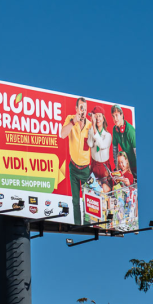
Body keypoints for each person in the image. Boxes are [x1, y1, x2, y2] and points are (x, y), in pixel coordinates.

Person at [58, 96, 92, 225]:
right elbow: (62, 135)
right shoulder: (70, 119)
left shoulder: (90, 125)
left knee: (88, 199)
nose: (83, 111)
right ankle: (78, 224)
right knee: (75, 200)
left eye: (85, 109)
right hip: (73, 167)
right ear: (76, 108)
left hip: (85, 169)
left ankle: (89, 225)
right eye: (81, 108)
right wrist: (73, 121)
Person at [110, 104, 137, 179]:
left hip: (135, 165)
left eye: (117, 115)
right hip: (125, 166)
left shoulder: (130, 131)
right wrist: (117, 169)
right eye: (113, 116)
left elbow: (137, 152)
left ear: (122, 115)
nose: (115, 119)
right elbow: (115, 150)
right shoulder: (115, 130)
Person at [87, 108, 113, 181]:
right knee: (93, 189)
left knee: (106, 189)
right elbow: (90, 144)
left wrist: (94, 129)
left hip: (104, 167)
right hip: (94, 164)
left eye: (99, 116)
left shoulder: (108, 135)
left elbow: (101, 145)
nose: (98, 118)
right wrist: (93, 126)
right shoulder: (91, 130)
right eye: (95, 116)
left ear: (103, 118)